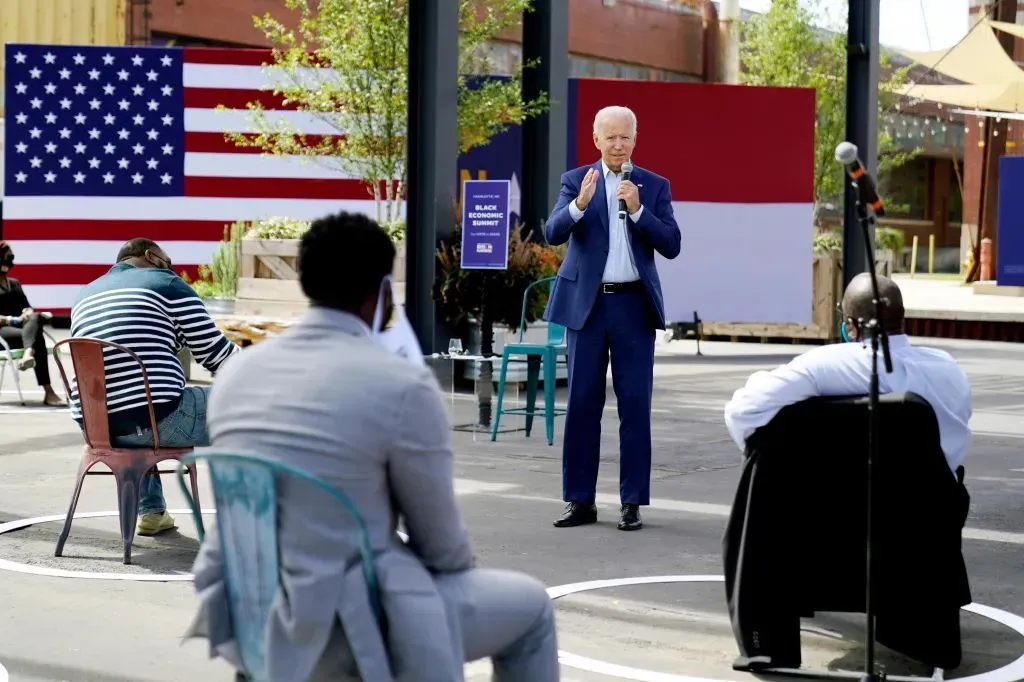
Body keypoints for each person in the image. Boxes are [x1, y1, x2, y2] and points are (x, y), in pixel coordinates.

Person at [187, 212, 559, 682]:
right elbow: (443, 549)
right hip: (355, 624)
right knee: (531, 607)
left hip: (250, 609)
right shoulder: (401, 384)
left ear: (305, 280)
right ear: (384, 292)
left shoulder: (237, 375)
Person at [543, 105, 682, 531]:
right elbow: (552, 233)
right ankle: (580, 500)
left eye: (626, 136)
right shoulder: (575, 181)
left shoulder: (654, 185)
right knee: (582, 405)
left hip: (632, 307)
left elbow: (672, 244)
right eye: (611, 137)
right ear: (596, 139)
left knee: (635, 407)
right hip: (586, 307)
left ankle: (631, 502)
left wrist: (639, 211)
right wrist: (580, 205)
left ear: (635, 139)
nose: (618, 144)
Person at [69, 238, 238, 536]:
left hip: (98, 427)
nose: (171, 270)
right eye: (168, 263)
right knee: (258, 408)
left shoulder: (86, 294)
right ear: (151, 256)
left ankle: (152, 512)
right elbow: (219, 357)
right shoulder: (166, 284)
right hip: (157, 420)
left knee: (141, 401)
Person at [724, 273, 972, 474]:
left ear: (850, 327)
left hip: (852, 512)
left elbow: (743, 411)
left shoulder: (829, 365)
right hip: (935, 513)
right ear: (902, 318)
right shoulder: (950, 368)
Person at [0, 241, 64, 406]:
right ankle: (49, 392)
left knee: (35, 317)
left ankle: (29, 353)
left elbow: (26, 307)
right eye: (6, 257)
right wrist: (13, 319)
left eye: (10, 257)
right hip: (2, 333)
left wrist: (27, 312)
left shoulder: (14, 283)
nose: (9, 261)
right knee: (37, 337)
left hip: (22, 330)